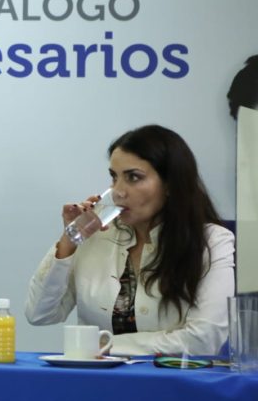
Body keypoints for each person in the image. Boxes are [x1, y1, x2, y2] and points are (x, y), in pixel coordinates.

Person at [25, 124, 235, 356]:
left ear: (170, 184)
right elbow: (40, 314)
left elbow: (203, 339)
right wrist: (69, 240)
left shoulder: (212, 242)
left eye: (133, 177)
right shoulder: (96, 234)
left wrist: (103, 346)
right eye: (114, 177)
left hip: (170, 378)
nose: (118, 192)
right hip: (95, 377)